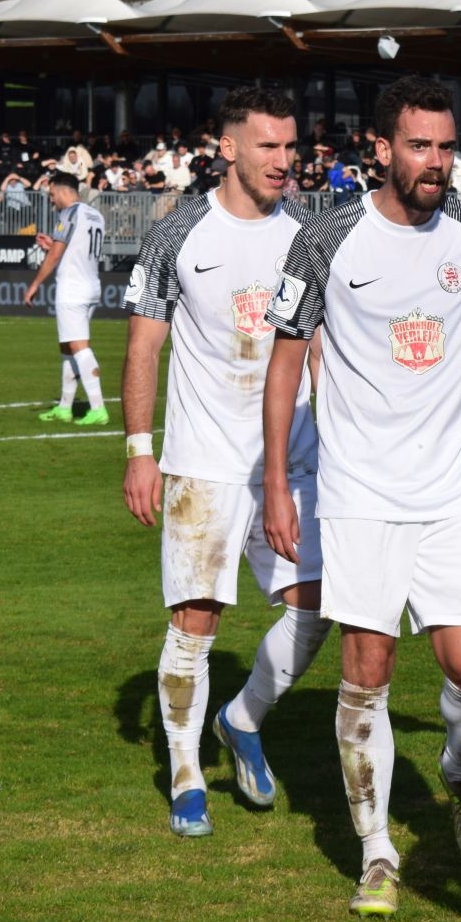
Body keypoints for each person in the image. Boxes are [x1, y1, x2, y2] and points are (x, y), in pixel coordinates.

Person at [260, 75, 461, 917]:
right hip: (357, 496)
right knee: (368, 670)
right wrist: (279, 482)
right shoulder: (324, 240)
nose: (437, 162)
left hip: (454, 493)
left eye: (448, 146)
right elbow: (286, 362)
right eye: (420, 146)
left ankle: (458, 773)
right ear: (381, 150)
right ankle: (377, 851)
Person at [119, 87, 333, 839]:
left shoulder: (310, 231)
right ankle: (184, 774)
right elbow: (144, 345)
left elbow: (318, 349)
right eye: (268, 146)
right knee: (197, 622)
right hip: (203, 460)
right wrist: (140, 451)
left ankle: (241, 720)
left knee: (316, 607)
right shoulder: (178, 232)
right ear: (230, 146)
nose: (285, 160)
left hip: (294, 456)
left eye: (291, 145)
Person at [25, 172, 111, 425]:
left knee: (78, 347)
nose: (52, 200)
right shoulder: (95, 214)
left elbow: (55, 257)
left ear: (62, 191)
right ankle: (64, 407)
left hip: (73, 288)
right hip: (91, 284)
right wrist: (52, 243)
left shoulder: (69, 214)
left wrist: (34, 284)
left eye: (52, 194)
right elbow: (76, 249)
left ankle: (98, 408)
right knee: (67, 347)